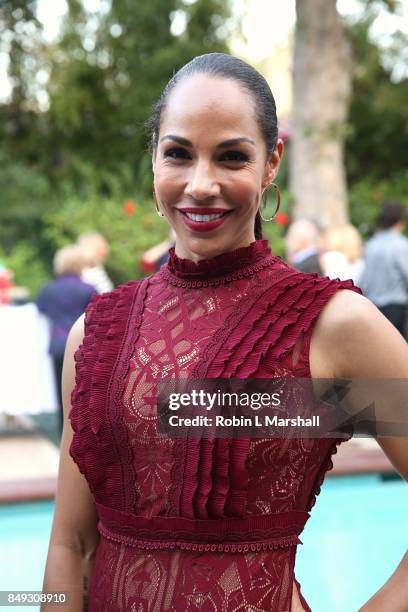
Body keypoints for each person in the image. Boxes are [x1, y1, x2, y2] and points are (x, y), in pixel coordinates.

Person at [42, 54, 408, 612]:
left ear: (270, 164)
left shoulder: (331, 326)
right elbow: (71, 545)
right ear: (154, 159)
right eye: (179, 154)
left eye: (232, 156)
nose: (201, 184)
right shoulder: (97, 333)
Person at [35, 245, 96, 435]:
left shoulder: (48, 289)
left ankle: (64, 433)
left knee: (62, 393)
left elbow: (40, 309)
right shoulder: (88, 289)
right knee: (82, 393)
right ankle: (83, 433)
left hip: (57, 344)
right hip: (83, 346)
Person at [358, 201, 408, 337]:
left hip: (374, 307)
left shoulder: (371, 244)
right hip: (396, 307)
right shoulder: (401, 245)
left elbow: (363, 279)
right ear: (400, 220)